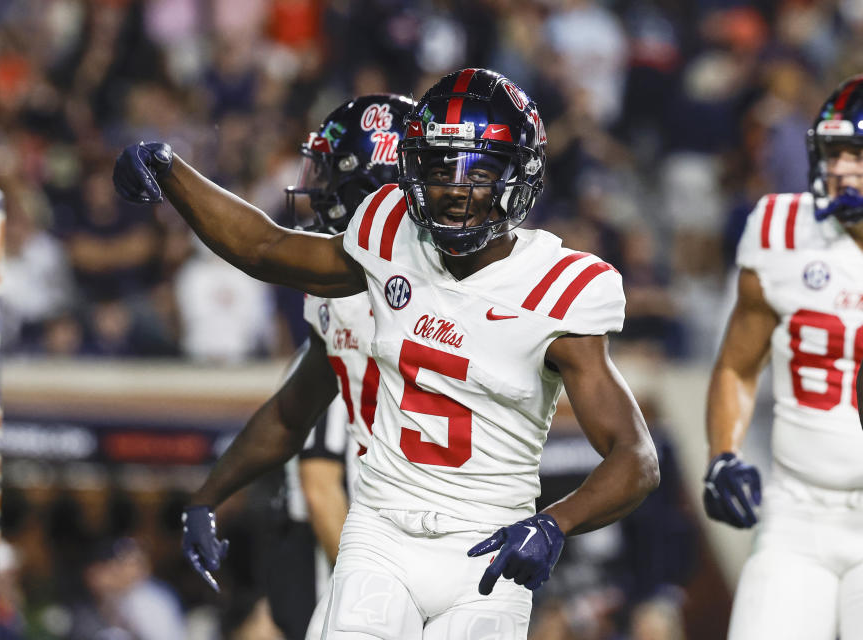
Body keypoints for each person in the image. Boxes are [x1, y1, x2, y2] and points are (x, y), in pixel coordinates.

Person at [114, 67, 660, 639]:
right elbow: (266, 247)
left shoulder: (561, 288)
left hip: (487, 541)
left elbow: (636, 457)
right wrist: (171, 169)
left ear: (519, 174)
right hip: (381, 534)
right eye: (439, 167)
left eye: (479, 169)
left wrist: (554, 525)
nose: (455, 188)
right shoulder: (387, 229)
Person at [181, 93, 414, 640]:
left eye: (332, 172)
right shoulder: (346, 294)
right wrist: (207, 496)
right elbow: (291, 411)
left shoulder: (372, 290)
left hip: (408, 551)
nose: (318, 189)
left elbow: (261, 246)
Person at [703, 74, 863, 640]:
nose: (841, 169)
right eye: (834, 152)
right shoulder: (781, 228)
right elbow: (738, 366)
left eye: (858, 154)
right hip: (797, 511)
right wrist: (724, 452)